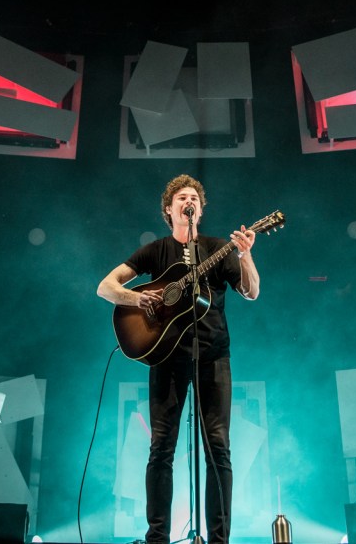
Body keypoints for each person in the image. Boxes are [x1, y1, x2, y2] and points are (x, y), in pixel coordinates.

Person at [97, 174, 260, 544]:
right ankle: (157, 537)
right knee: (161, 448)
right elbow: (105, 287)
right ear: (169, 210)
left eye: (195, 199)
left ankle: (218, 539)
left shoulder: (219, 248)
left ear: (200, 210)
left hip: (213, 356)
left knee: (218, 448)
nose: (190, 202)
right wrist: (137, 298)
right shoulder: (155, 251)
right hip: (166, 358)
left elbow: (251, 292)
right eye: (182, 198)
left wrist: (245, 254)